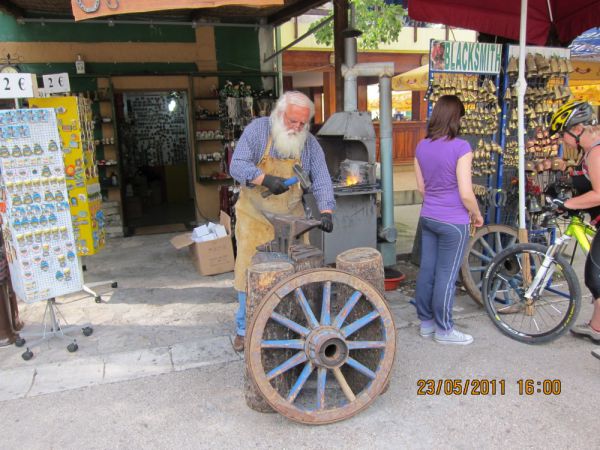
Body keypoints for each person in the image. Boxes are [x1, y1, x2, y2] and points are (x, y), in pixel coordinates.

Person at [229, 91, 335, 352]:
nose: (297, 127)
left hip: (291, 217)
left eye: (302, 123)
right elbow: (237, 164)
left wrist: (326, 211)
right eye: (292, 121)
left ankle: (293, 323)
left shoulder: (309, 144)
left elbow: (321, 178)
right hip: (254, 215)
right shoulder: (258, 131)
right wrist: (264, 179)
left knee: (297, 271)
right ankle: (244, 329)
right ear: (279, 114)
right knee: (248, 272)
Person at [414, 95, 483, 345]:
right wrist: (476, 214)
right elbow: (466, 192)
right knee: (447, 274)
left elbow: (422, 188)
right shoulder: (461, 147)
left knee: (427, 271)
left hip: (428, 216)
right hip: (453, 221)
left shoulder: (422, 146)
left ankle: (426, 323)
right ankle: (444, 330)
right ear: (456, 118)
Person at [549, 100, 600, 357]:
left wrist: (567, 202)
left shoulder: (596, 152)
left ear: (577, 130)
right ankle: (597, 327)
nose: (561, 139)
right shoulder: (590, 150)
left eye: (562, 134)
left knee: (595, 274)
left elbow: (599, 194)